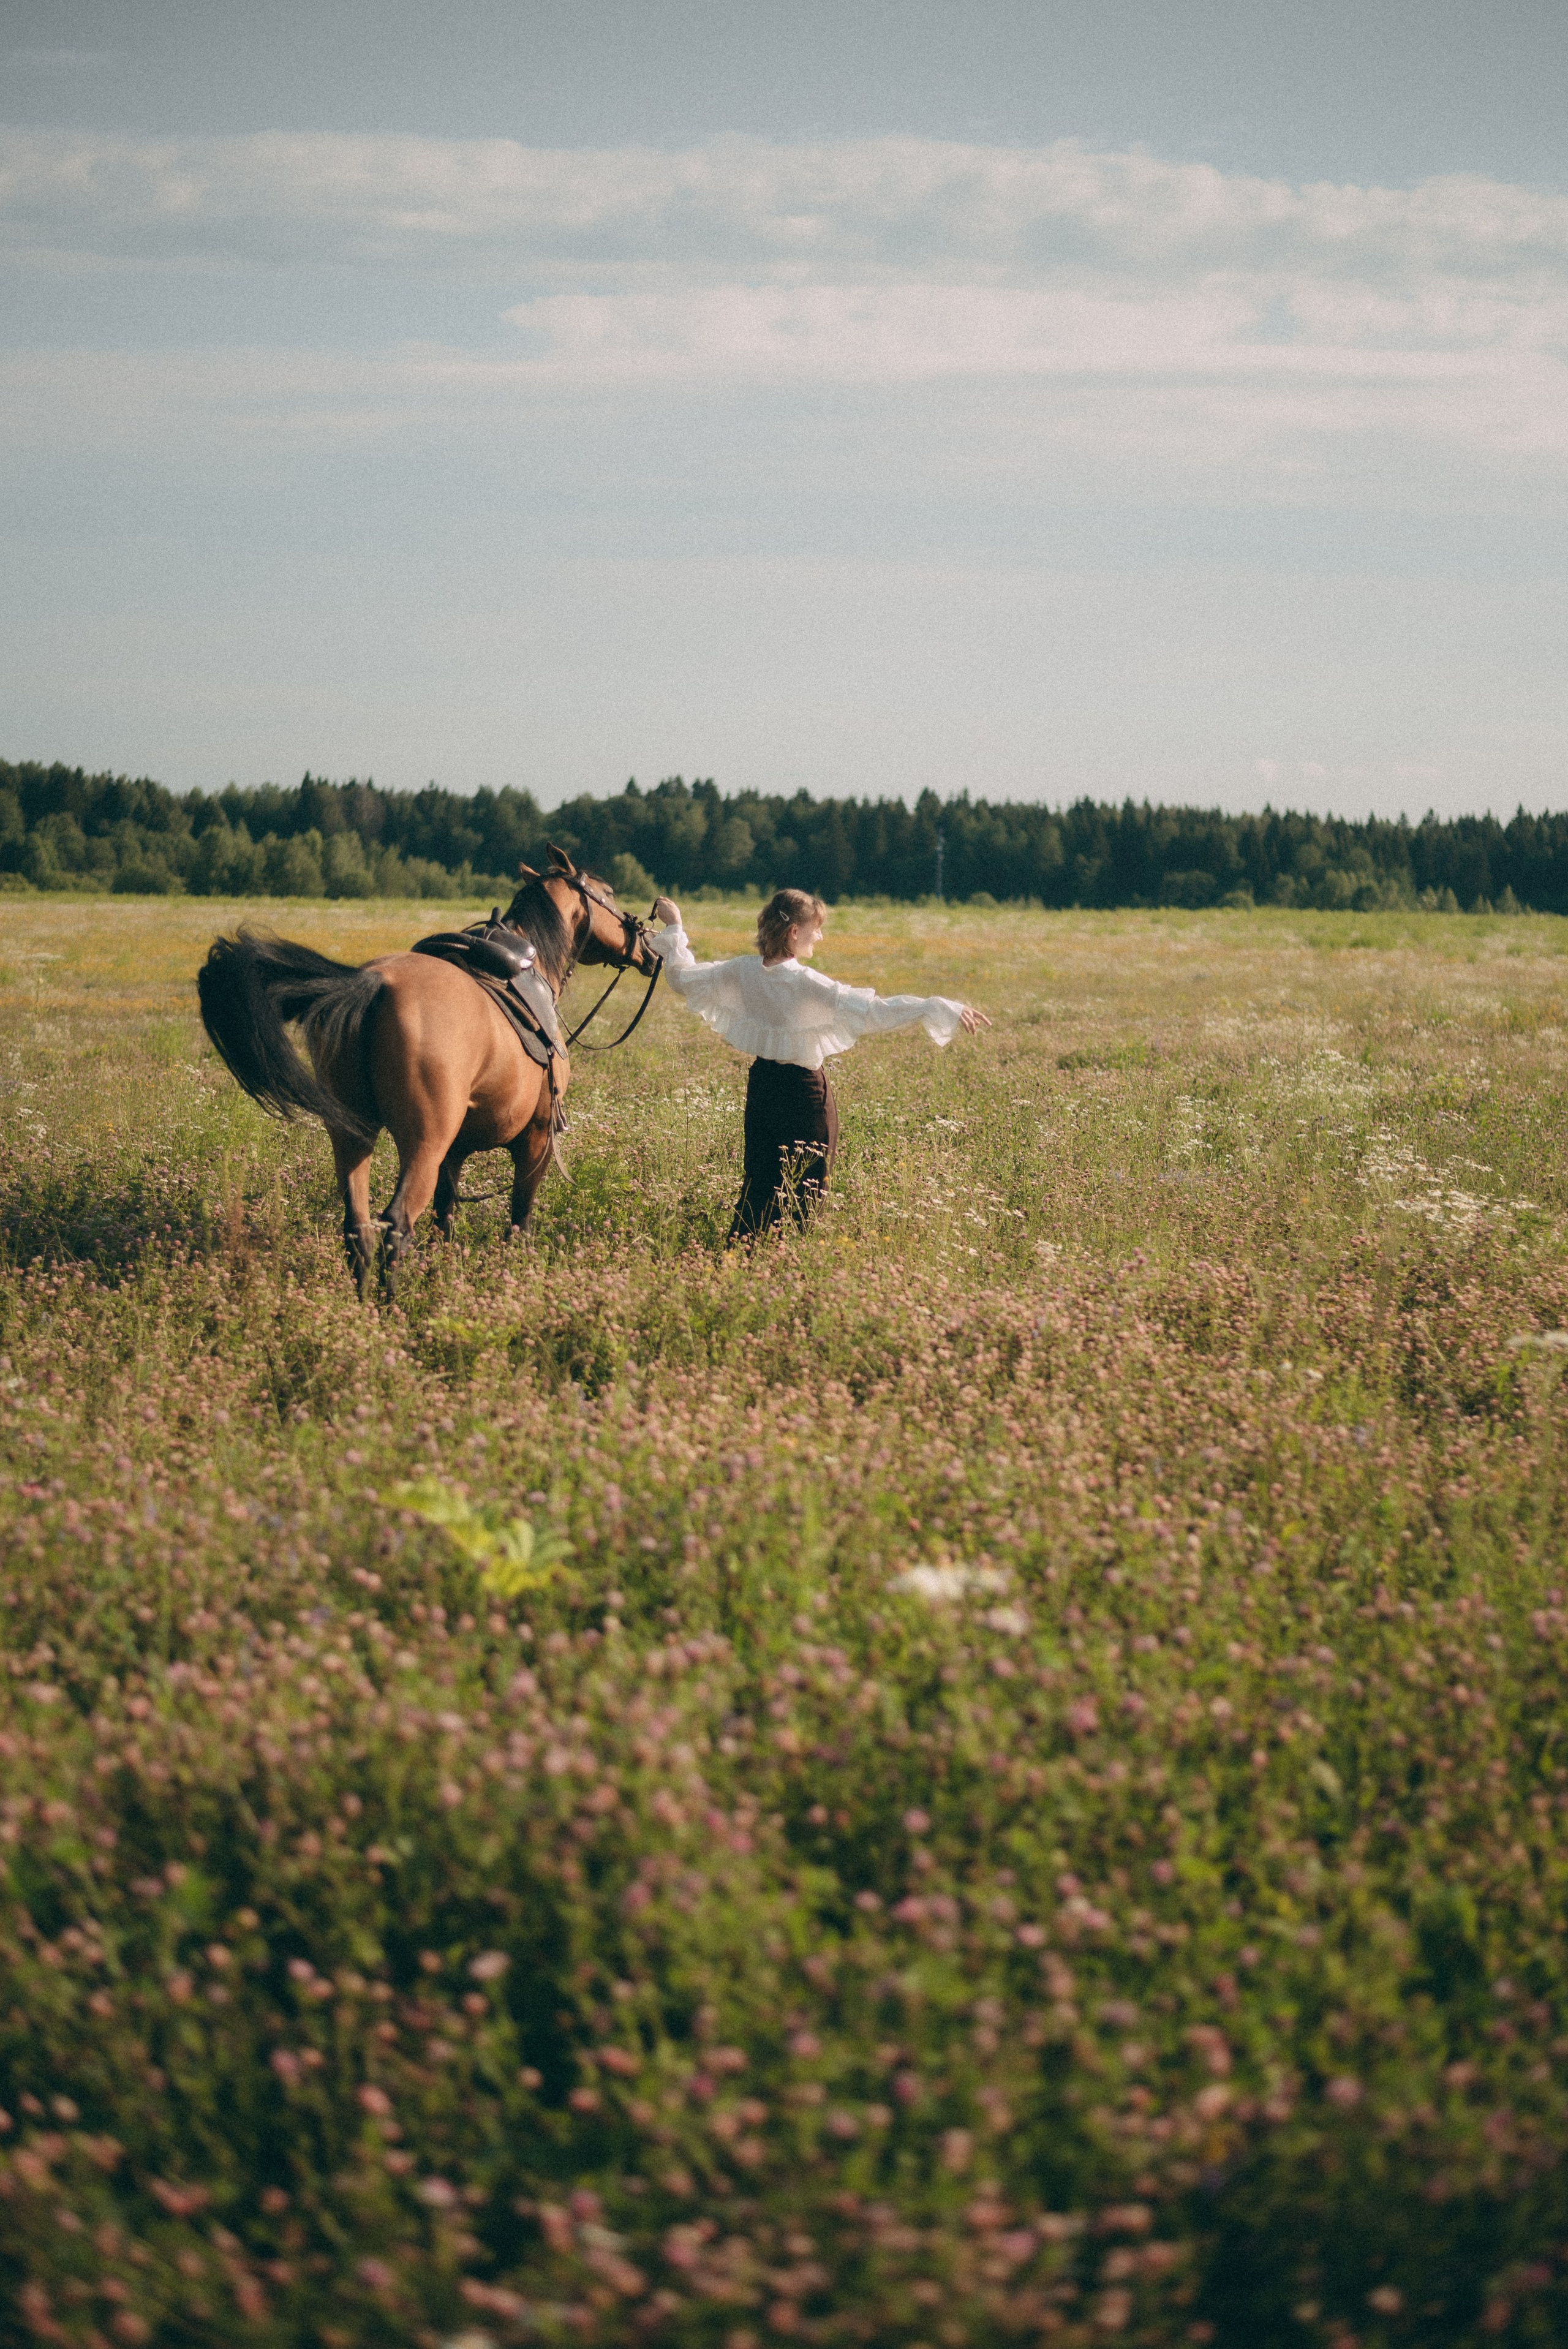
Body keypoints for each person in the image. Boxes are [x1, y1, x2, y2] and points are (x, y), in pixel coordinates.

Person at [649, 888, 991, 1242]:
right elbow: (875, 1011)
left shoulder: (741, 971)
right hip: (803, 1096)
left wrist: (675, 927)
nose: (821, 935)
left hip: (763, 1087)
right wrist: (935, 1006)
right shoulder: (804, 981)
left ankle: (742, 1255)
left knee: (760, 1181)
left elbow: (682, 979)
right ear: (794, 932)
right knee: (806, 1191)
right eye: (816, 928)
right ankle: (784, 1261)